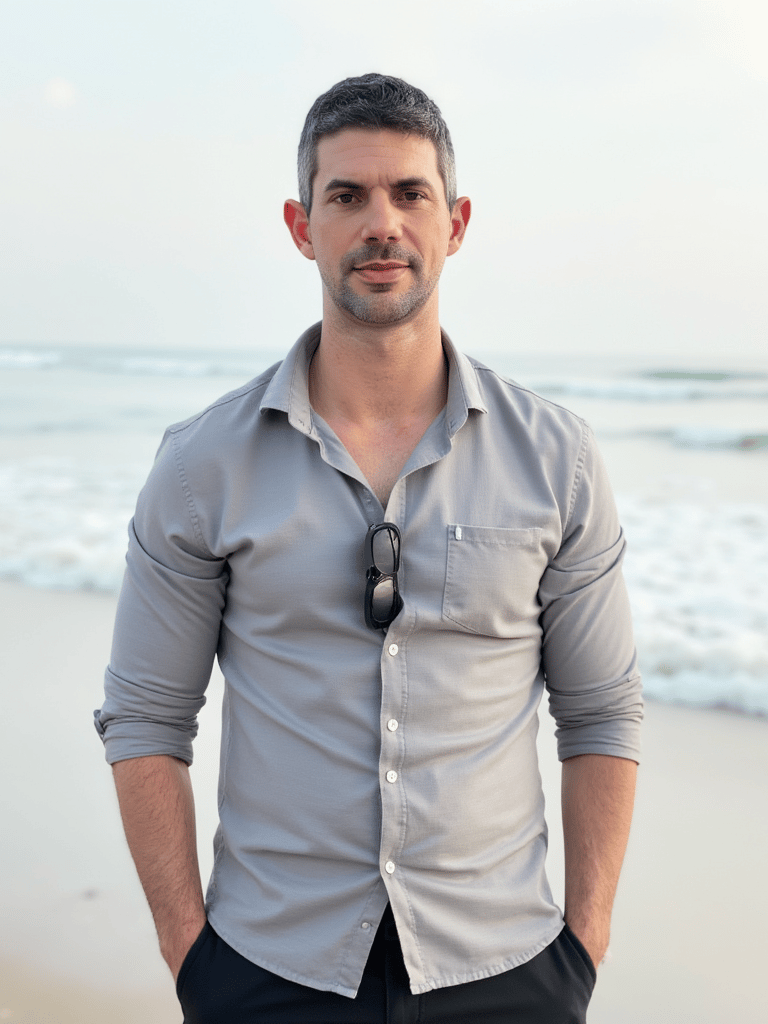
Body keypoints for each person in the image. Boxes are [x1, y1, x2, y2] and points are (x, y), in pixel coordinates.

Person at [95, 73, 642, 1023]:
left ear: (457, 222)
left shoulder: (559, 460)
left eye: (409, 194)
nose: (379, 222)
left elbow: (602, 714)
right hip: (267, 969)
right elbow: (146, 717)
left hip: (507, 970)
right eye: (346, 195)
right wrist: (192, 957)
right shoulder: (200, 467)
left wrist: (582, 948)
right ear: (301, 226)